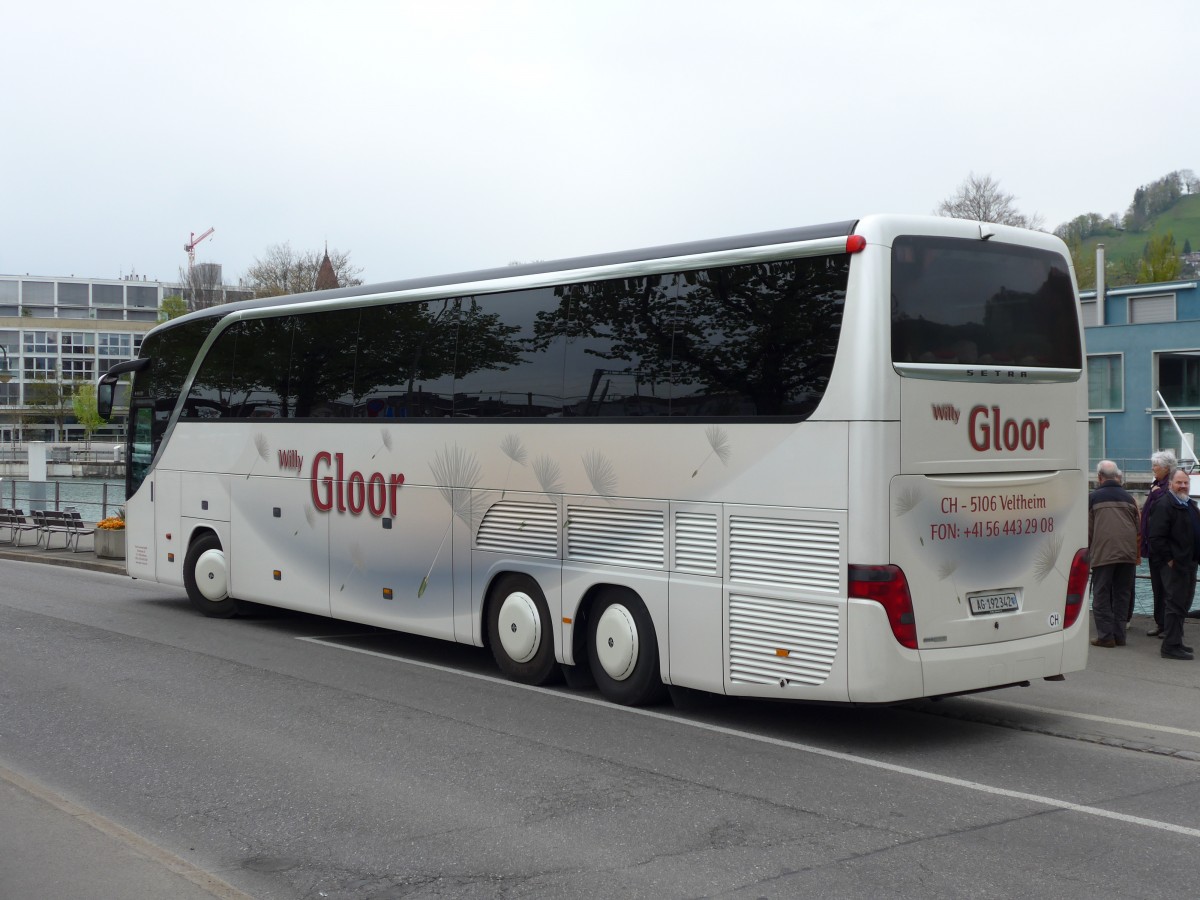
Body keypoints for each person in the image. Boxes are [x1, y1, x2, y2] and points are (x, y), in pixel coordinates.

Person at [1087, 460, 1141, 648]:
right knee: (1122, 595)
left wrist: (1087, 552)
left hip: (1104, 554)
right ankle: (1120, 636)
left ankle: (1106, 636)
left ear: (1099, 477)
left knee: (1101, 595)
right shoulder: (1129, 498)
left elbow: (1088, 530)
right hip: (1127, 554)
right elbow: (1137, 527)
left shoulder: (1093, 498)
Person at [1148, 467, 1200, 661]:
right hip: (1175, 564)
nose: (1183, 486)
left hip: (1189, 562)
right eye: (1179, 482)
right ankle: (1169, 646)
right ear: (1170, 484)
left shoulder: (1188, 504)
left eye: (1186, 482)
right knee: (1175, 603)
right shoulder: (1165, 505)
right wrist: (1170, 559)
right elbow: (1156, 537)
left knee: (1183, 604)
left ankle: (1176, 641)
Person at [1140, 450, 1177, 636]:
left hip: (1164, 548)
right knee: (1157, 588)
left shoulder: (1168, 487)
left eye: (1156, 465)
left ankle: (1168, 626)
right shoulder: (1155, 485)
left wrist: (1155, 495)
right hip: (1154, 547)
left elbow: (1166, 508)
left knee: (1168, 589)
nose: (1153, 468)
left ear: (1166, 468)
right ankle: (1160, 623)